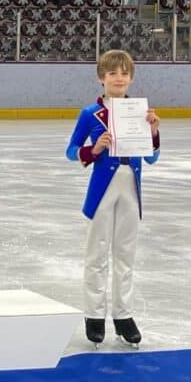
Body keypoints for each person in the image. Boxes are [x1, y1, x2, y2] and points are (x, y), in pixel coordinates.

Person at [66, 49, 160, 347]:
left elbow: (153, 158)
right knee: (97, 253)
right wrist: (93, 150)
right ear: (101, 78)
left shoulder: (141, 113)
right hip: (103, 188)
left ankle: (124, 315)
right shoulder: (89, 114)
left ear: (131, 78)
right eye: (112, 73)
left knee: (125, 253)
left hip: (131, 186)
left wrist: (154, 133)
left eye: (124, 73)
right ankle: (94, 315)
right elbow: (71, 150)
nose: (119, 78)